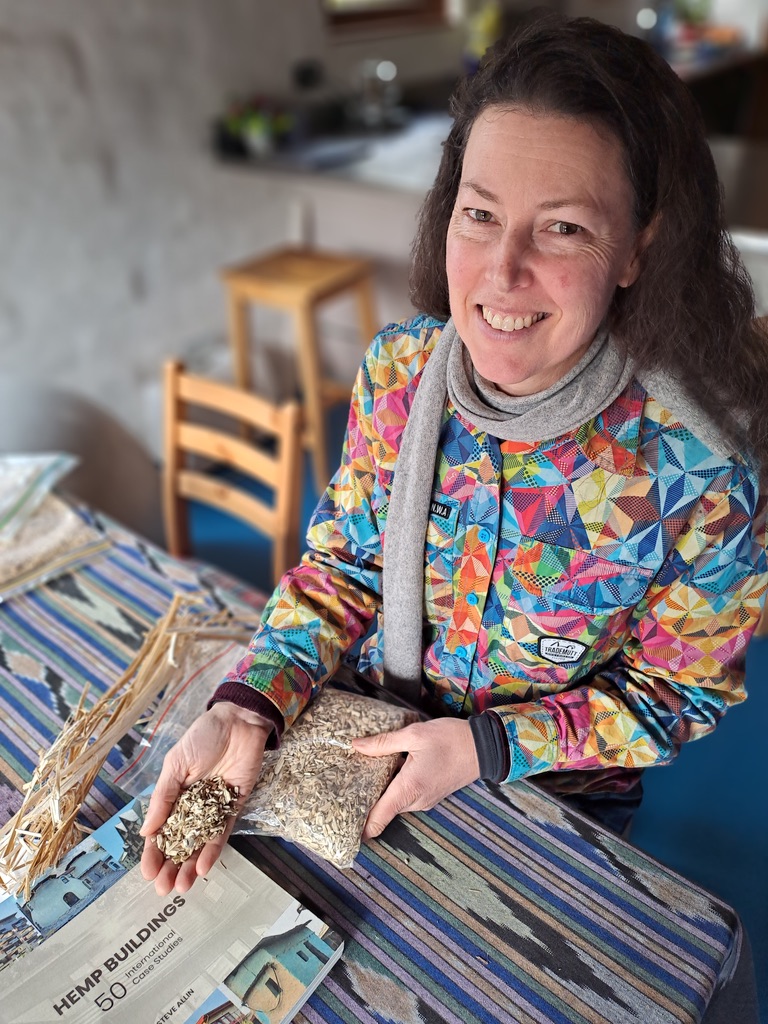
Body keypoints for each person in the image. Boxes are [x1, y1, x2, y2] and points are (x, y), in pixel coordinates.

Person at [141, 11, 768, 899]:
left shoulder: (700, 471)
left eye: (562, 229)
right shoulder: (400, 372)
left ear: (639, 248)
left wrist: (485, 746)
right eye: (480, 214)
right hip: (355, 747)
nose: (501, 272)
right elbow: (345, 569)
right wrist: (248, 707)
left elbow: (678, 694)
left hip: (546, 792)